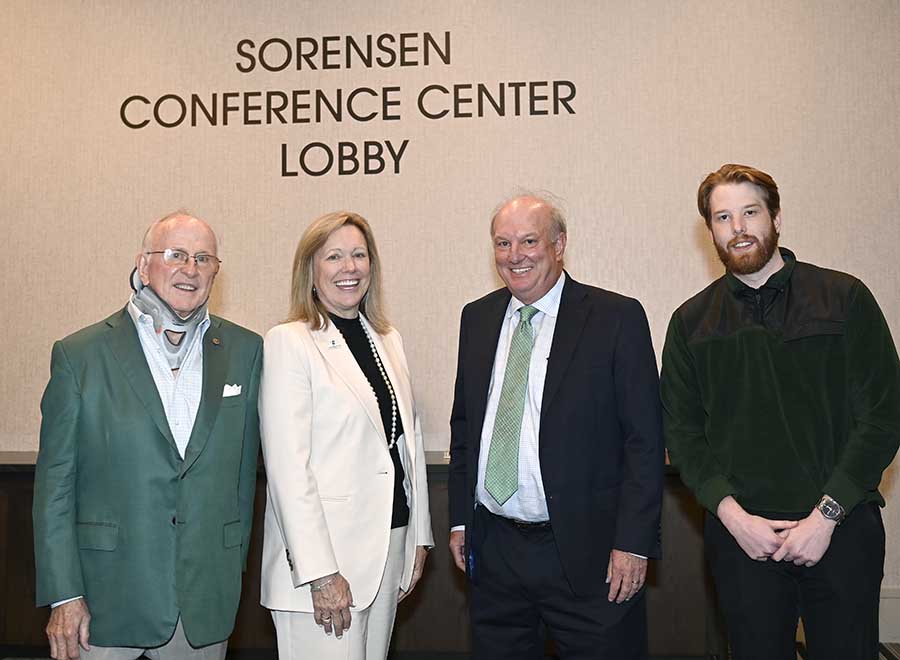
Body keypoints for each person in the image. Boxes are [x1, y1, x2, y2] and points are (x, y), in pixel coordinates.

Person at [661, 163, 900, 659]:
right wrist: (734, 517)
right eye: (723, 217)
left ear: (775, 218)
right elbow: (683, 437)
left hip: (841, 531)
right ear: (710, 230)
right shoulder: (690, 323)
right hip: (743, 541)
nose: (739, 228)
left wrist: (826, 516)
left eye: (750, 212)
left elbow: (884, 414)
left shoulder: (844, 296)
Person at [33, 211, 263, 660]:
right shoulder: (79, 355)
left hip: (202, 602)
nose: (190, 269)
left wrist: (227, 574)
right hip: (102, 601)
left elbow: (241, 482)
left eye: (203, 258)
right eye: (175, 255)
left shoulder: (246, 351)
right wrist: (64, 595)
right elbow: (55, 487)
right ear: (143, 264)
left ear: (217, 270)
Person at [447, 193, 664, 659]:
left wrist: (634, 542)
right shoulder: (477, 318)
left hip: (589, 555)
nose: (515, 256)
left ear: (559, 244)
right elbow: (465, 429)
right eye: (503, 243)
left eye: (529, 241)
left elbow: (644, 443)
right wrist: (462, 521)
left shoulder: (615, 318)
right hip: (496, 551)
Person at [259, 211, 433, 660]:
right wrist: (320, 573)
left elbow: (405, 445)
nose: (349, 267)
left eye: (359, 255)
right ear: (311, 272)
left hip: (388, 547)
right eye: (333, 256)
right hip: (326, 566)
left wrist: (418, 537)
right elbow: (287, 469)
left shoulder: (387, 338)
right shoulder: (289, 342)